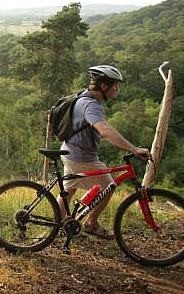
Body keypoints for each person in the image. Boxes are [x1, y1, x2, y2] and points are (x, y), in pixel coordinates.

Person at [58, 65, 150, 239]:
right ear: (104, 86)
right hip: (80, 157)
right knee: (107, 186)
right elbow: (105, 131)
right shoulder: (91, 105)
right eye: (115, 84)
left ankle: (60, 225)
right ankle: (91, 223)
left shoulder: (82, 98)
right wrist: (133, 148)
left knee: (68, 190)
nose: (117, 88)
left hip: (69, 151)